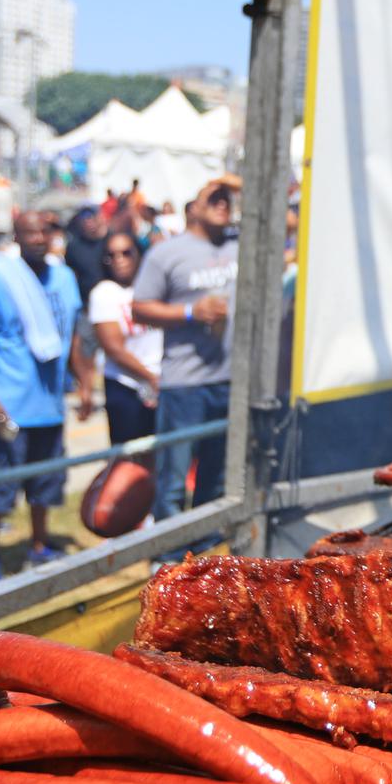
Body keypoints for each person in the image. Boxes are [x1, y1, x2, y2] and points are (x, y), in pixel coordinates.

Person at [0, 213, 95, 584]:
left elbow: (73, 336)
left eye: (44, 232)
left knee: (46, 483)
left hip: (49, 405)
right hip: (10, 404)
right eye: (29, 233)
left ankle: (39, 544)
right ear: (17, 237)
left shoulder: (64, 277)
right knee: (0, 483)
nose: (38, 239)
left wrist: (84, 382)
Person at [132, 178, 238, 540]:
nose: (223, 203)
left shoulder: (241, 244)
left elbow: (290, 220)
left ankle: (204, 555)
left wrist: (229, 181)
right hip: (185, 384)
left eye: (229, 199)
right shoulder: (167, 253)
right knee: (174, 478)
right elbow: (140, 308)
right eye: (214, 197)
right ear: (191, 207)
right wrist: (192, 312)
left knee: (217, 476)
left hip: (230, 380)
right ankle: (168, 554)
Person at [88, 230, 160, 446]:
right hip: (126, 385)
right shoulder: (104, 293)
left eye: (126, 253)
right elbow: (113, 348)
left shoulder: (152, 287)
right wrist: (151, 378)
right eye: (111, 255)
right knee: (129, 459)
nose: (119, 260)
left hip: (162, 381)